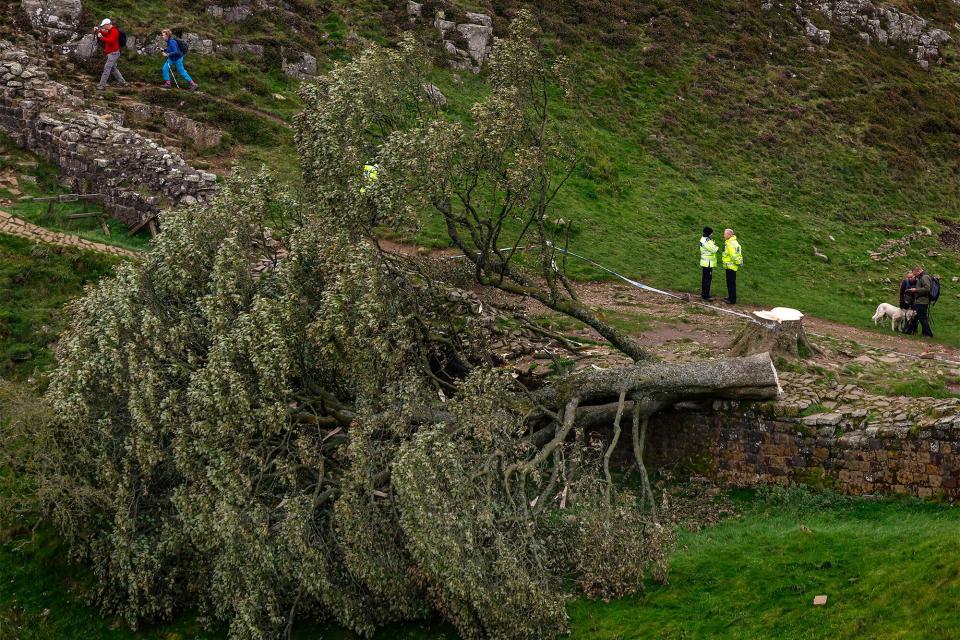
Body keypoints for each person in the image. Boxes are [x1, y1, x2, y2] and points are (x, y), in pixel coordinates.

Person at [94, 18, 127, 91]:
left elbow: (111, 41)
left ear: (108, 24)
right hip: (112, 53)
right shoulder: (111, 31)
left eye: (104, 26)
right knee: (113, 68)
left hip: (113, 53)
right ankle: (123, 82)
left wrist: (102, 38)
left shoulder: (114, 31)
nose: (103, 27)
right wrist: (99, 31)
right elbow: (107, 35)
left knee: (107, 68)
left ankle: (102, 85)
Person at [906, 265, 934, 339]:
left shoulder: (924, 277)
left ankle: (928, 334)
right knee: (922, 317)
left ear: (918, 271)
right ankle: (925, 333)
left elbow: (927, 289)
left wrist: (916, 290)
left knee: (922, 318)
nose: (915, 276)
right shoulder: (922, 277)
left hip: (922, 301)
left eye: (915, 274)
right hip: (920, 300)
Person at [721, 228, 742, 304]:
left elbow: (733, 255)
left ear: (729, 235)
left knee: (731, 283)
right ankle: (730, 296)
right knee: (730, 282)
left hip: (731, 266)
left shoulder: (730, 243)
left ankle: (732, 299)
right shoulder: (733, 242)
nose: (724, 235)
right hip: (731, 266)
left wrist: (736, 262)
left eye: (725, 234)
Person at [699, 226, 719, 301]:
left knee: (705, 278)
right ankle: (706, 295)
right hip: (708, 262)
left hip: (705, 262)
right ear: (709, 233)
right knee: (707, 279)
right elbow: (714, 249)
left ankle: (704, 293)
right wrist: (716, 246)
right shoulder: (707, 241)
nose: (712, 234)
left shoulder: (703, 238)